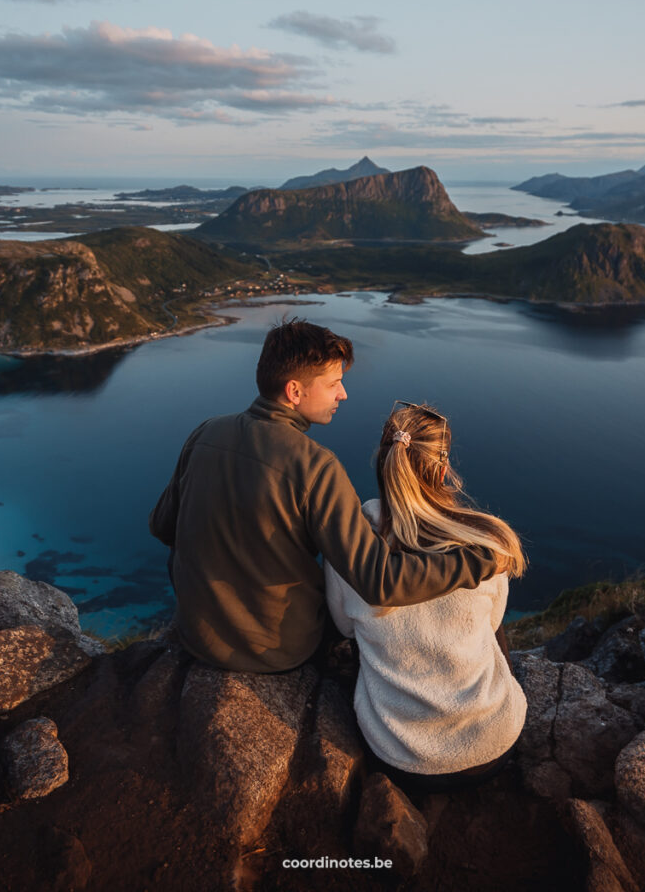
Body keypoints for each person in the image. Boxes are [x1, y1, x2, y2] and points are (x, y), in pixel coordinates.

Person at [149, 319, 501, 674]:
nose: (343, 394)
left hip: (197, 636)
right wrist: (481, 561)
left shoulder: (205, 433)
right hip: (275, 651)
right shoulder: (316, 466)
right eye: (333, 383)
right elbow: (380, 582)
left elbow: (163, 527)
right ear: (294, 392)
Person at [324, 401, 528, 794]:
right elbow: (495, 621)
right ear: (442, 468)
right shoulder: (487, 542)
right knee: (491, 633)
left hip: (400, 754)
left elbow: (343, 627)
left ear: (383, 461)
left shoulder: (352, 553)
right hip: (493, 747)